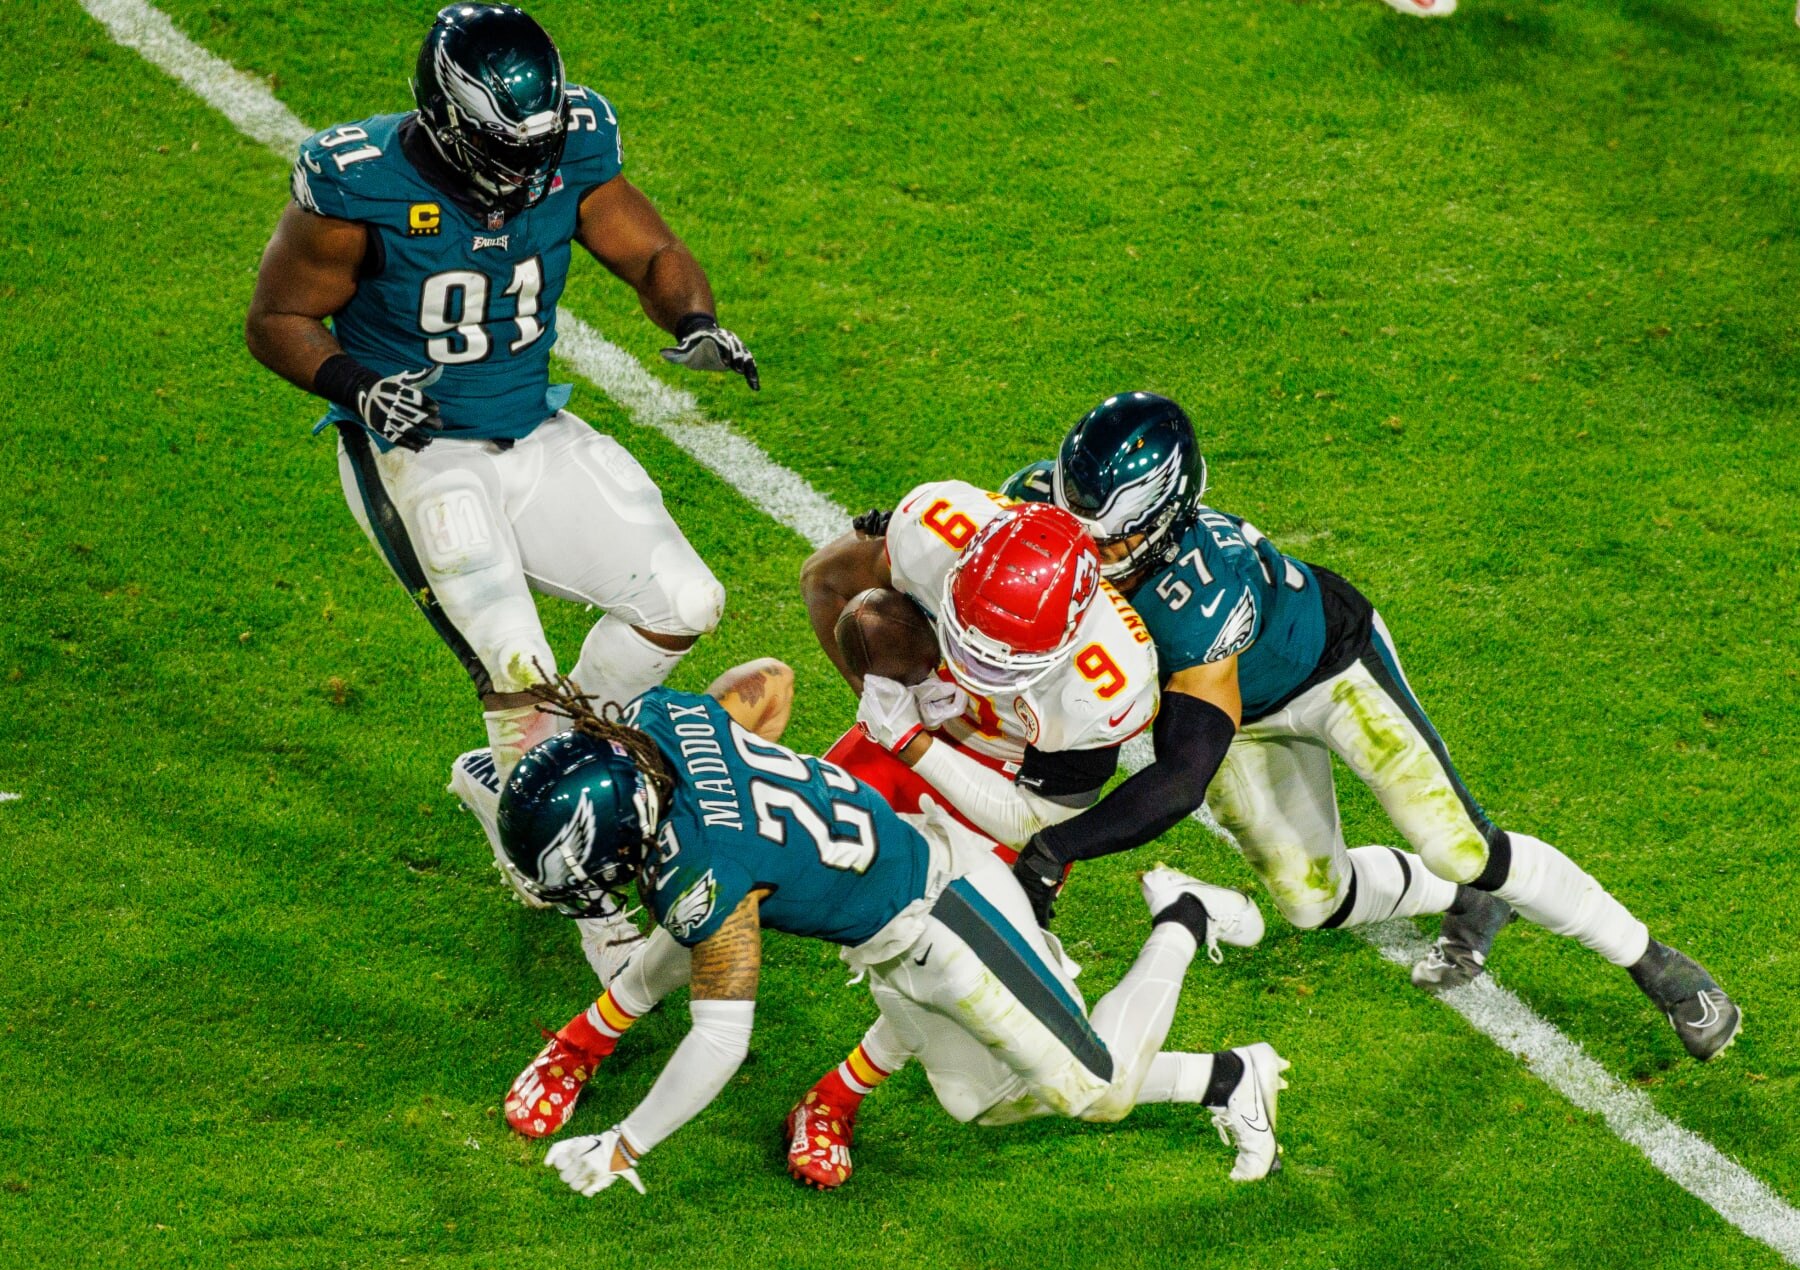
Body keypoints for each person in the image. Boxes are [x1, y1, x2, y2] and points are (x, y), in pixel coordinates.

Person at [243, 5, 757, 975]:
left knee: (684, 602)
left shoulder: (571, 144)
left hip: (530, 427)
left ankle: (534, 776)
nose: (525, 168)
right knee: (514, 660)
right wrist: (358, 386)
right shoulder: (357, 182)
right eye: (498, 145)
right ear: (442, 120)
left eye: (538, 142)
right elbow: (276, 316)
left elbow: (647, 251)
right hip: (421, 451)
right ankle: (575, 881)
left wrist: (692, 316)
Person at [1003, 393, 1739, 1062]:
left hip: (1329, 668)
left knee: (1461, 844)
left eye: (1105, 545)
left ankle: (1658, 964)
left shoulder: (1199, 596)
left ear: (1162, 526)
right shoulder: (1036, 505)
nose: (1079, 558)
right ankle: (1468, 905)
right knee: (1311, 901)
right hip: (1241, 713)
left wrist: (1055, 849)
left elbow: (1183, 774)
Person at [494, 673, 1292, 1197]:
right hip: (904, 904)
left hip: (951, 918)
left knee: (1094, 1088)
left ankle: (1184, 914)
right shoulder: (659, 719)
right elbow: (768, 683)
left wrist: (624, 1149)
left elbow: (720, 1042)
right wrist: (763, 805)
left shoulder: (709, 866)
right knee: (976, 1098)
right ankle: (1230, 1079)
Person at [784, 491, 1264, 1187]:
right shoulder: (936, 530)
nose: (980, 666)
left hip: (1002, 791)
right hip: (915, 730)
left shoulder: (1105, 680)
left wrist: (915, 742)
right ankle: (821, 1091)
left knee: (931, 975)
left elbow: (1033, 821)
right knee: (790, 868)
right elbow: (827, 580)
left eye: (1003, 659)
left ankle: (833, 1097)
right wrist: (880, 688)